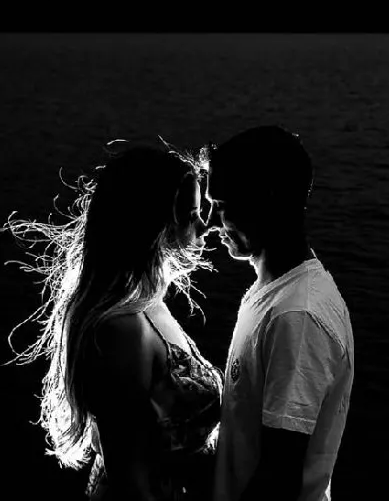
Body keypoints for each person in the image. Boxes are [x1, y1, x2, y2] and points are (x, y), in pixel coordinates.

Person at [3, 139, 224, 501]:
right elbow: (128, 477)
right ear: (156, 225)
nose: (204, 225)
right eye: (191, 214)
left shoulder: (148, 305)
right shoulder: (122, 330)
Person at [206, 125, 354, 501]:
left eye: (221, 205)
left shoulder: (298, 317)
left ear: (266, 199)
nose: (210, 221)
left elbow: (279, 477)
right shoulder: (272, 294)